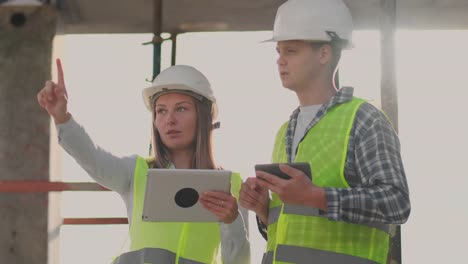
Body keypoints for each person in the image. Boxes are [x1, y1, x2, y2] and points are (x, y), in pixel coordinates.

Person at [239, 0, 411, 263]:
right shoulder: (285, 130)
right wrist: (264, 211)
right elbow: (289, 231)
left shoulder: (363, 119)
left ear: (324, 54)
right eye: (278, 51)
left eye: (291, 51)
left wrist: (317, 196)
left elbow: (397, 203)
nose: (280, 61)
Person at [37, 60, 250, 264]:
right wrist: (63, 118)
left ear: (203, 116)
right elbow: (93, 158)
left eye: (181, 108)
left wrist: (232, 221)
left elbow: (239, 262)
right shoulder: (137, 172)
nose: (170, 120)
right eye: (161, 111)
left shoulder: (231, 185)